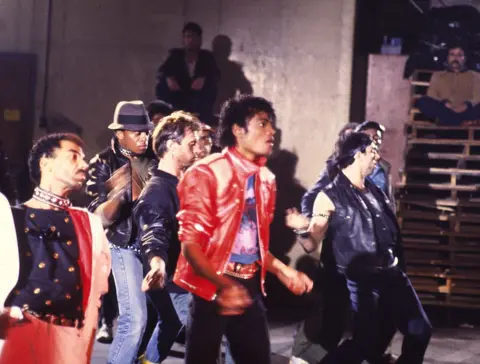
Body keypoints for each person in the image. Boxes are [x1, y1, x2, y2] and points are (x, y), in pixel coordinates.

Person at [173, 95, 313, 364]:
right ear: (238, 130)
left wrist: (284, 271)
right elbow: (190, 245)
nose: (271, 132)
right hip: (210, 284)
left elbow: (255, 246)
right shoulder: (207, 173)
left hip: (249, 285)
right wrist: (222, 285)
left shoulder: (266, 180)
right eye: (262, 124)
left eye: (271, 125)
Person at [287, 132, 431, 364]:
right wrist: (301, 228)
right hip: (364, 281)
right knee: (365, 342)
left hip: (394, 275)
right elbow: (312, 243)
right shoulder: (329, 196)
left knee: (420, 330)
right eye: (372, 150)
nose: (377, 156)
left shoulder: (376, 190)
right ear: (357, 154)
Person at [0, 133, 111, 364]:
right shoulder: (9, 218)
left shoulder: (89, 224)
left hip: (69, 338)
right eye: (73, 157)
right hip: (19, 333)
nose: (84, 164)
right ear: (45, 163)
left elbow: (98, 291)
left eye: (84, 158)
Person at [85, 100, 156, 364]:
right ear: (119, 134)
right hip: (122, 244)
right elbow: (98, 216)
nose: (143, 136)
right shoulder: (103, 162)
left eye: (146, 131)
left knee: (175, 315)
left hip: (154, 245)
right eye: (136, 132)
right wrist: (123, 191)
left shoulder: (155, 157)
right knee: (134, 318)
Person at [133, 111, 200, 363]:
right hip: (170, 274)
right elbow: (154, 233)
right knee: (197, 325)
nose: (196, 149)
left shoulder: (177, 184)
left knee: (171, 323)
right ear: (172, 146)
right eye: (190, 143)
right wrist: (158, 264)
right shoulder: (157, 192)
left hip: (178, 272)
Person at [155, 22, 220, 125]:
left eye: (194, 37)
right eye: (188, 37)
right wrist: (169, 78)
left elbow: (216, 75)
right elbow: (161, 72)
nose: (191, 40)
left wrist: (204, 77)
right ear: (183, 39)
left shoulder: (207, 57)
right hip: (178, 101)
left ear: (200, 39)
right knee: (162, 83)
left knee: (211, 85)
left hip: (199, 103)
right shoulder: (175, 56)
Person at [416, 44, 480, 125]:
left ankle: (452, 122)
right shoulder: (438, 75)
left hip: (467, 111)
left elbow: (478, 97)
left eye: (459, 55)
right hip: (445, 109)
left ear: (465, 58)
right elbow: (431, 94)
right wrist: (445, 103)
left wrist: (466, 105)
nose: (455, 58)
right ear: (448, 57)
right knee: (423, 102)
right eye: (452, 54)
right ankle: (460, 123)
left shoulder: (475, 75)